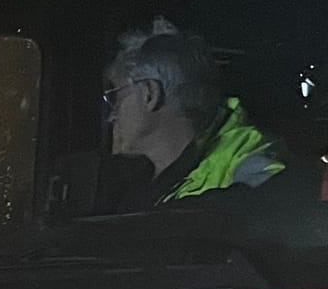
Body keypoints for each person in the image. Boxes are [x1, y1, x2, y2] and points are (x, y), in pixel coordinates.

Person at [105, 18, 284, 210]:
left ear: (150, 93)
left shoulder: (249, 159)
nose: (111, 116)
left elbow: (275, 210)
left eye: (116, 97)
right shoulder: (139, 178)